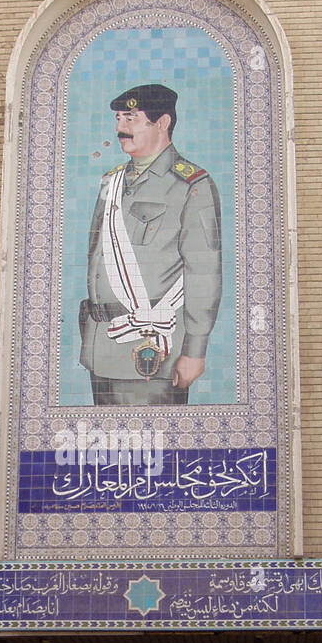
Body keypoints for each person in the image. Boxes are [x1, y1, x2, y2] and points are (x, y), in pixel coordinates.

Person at [78, 83, 222, 406]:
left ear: (163, 122)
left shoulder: (191, 186)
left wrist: (195, 351)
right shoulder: (111, 182)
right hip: (101, 347)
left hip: (151, 353)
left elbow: (204, 272)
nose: (120, 128)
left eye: (130, 118)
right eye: (117, 119)